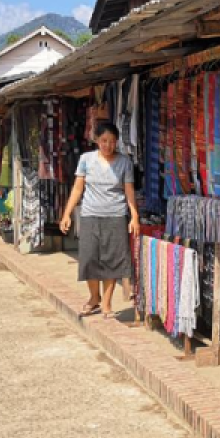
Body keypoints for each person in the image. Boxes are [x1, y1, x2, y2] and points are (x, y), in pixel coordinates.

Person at [58, 122, 140, 319]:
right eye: (104, 141)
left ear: (117, 142)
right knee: (89, 259)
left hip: (116, 215)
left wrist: (134, 216)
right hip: (89, 215)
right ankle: (94, 297)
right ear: (96, 140)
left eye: (112, 141)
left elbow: (129, 191)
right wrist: (66, 214)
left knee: (112, 259)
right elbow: (78, 188)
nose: (108, 145)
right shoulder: (86, 160)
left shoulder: (124, 163)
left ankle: (106, 303)